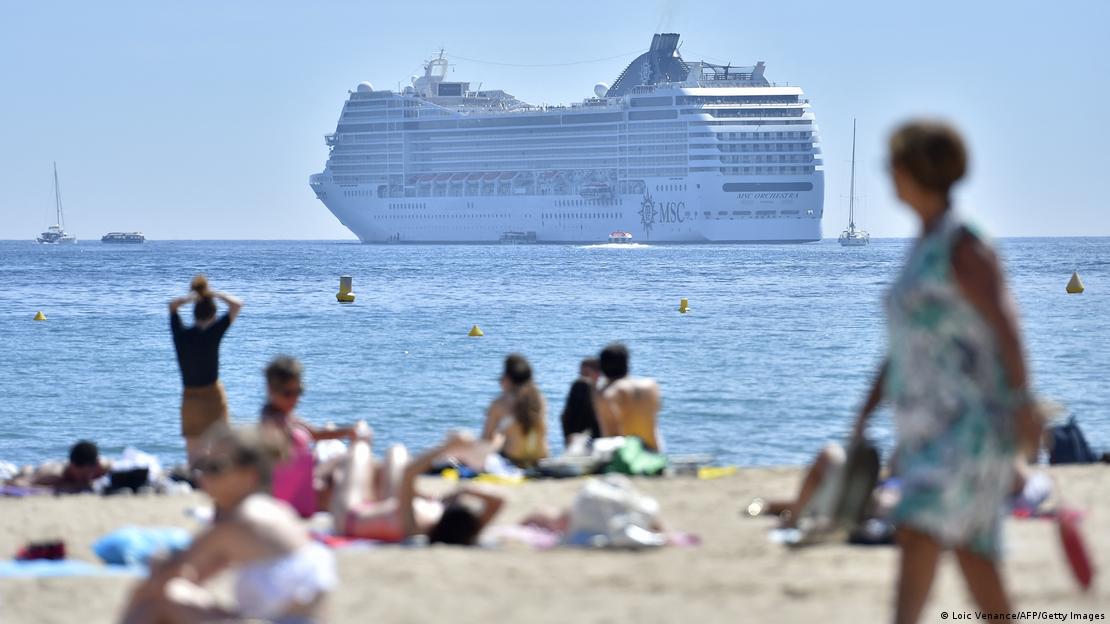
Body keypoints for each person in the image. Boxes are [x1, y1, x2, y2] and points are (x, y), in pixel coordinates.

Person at [850, 120, 1041, 624]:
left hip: (969, 424)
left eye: (892, 164)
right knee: (975, 555)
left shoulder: (961, 242)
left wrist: (1025, 405)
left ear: (913, 170)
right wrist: (866, 409)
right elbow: (909, 342)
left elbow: (1006, 325)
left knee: (917, 528)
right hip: (929, 427)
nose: (887, 175)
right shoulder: (925, 242)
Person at [121, 425, 336, 623]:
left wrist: (159, 564)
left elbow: (168, 574)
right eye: (202, 466)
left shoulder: (241, 520)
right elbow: (201, 571)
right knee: (167, 593)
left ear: (250, 475)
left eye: (216, 467)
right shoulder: (275, 510)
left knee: (156, 599)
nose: (204, 476)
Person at [330, 423, 504, 545]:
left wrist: (447, 447)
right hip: (388, 509)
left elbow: (409, 474)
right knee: (397, 451)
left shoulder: (414, 525)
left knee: (362, 443)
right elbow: (499, 501)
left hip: (351, 516)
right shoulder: (465, 530)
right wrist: (464, 489)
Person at [259, 356, 356, 518]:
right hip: (300, 492)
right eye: (287, 393)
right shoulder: (272, 423)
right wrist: (337, 460)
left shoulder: (285, 414)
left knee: (329, 428)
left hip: (307, 479)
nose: (295, 399)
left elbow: (315, 434)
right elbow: (284, 474)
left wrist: (348, 431)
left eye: (298, 392)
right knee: (349, 458)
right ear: (270, 390)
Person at [169, 275, 242, 462]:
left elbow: (172, 306)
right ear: (214, 316)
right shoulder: (213, 333)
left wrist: (193, 297)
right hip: (212, 395)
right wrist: (213, 294)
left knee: (194, 450)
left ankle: (195, 481)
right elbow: (237, 305)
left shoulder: (181, 335)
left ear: (194, 314)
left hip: (190, 396)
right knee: (222, 446)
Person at [480, 354, 549, 467]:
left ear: (507, 378)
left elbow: (486, 441)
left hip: (513, 461)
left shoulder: (500, 403)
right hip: (539, 460)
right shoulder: (539, 399)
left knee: (459, 439)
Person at [593, 343, 663, 451]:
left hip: (628, 458)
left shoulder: (607, 394)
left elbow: (611, 435)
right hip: (655, 453)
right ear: (627, 364)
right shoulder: (651, 386)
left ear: (602, 368)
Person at [5, 440, 110, 493]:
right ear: (72, 465)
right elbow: (16, 484)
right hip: (35, 471)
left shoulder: (101, 466)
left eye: (88, 474)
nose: (85, 479)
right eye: (81, 475)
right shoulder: (55, 474)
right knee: (26, 470)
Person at [560, 357, 602, 445]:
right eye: (581, 374)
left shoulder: (605, 396)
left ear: (598, 374)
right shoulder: (577, 392)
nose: (583, 377)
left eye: (586, 374)